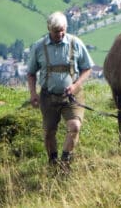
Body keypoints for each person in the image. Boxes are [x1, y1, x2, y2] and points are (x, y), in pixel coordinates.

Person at [27, 11, 94, 168]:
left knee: (75, 127)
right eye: (57, 31)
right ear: (49, 29)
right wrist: (33, 94)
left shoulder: (75, 43)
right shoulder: (39, 47)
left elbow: (88, 68)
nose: (60, 33)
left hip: (72, 97)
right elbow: (31, 73)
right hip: (48, 97)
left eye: (63, 29)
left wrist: (76, 86)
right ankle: (52, 162)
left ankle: (65, 161)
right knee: (49, 131)